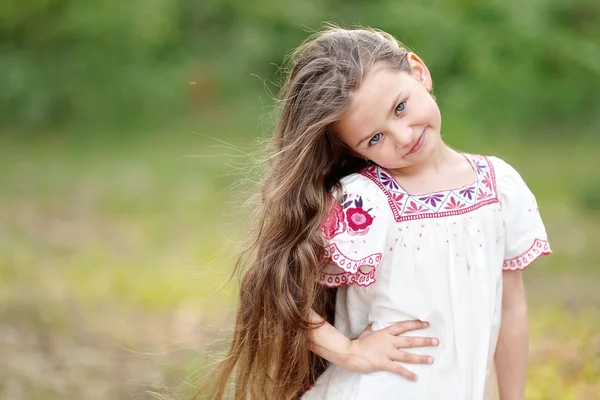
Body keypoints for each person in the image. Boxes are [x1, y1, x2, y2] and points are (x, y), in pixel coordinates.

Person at [199, 26, 551, 400]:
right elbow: (276, 290)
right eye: (375, 138)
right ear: (356, 151)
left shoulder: (498, 187)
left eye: (400, 107)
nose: (402, 136)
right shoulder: (364, 202)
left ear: (419, 72)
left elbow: (511, 308)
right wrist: (348, 351)